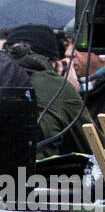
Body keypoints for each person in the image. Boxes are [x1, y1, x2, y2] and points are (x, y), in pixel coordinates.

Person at [3, 24, 91, 152]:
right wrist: (69, 90)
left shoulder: (4, 75)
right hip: (38, 171)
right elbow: (98, 149)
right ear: (57, 65)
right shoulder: (57, 88)